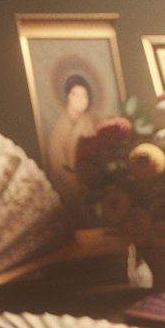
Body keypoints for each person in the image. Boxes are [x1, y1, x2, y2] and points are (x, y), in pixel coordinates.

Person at [45, 75, 97, 225]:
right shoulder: (58, 132)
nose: (81, 100)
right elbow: (58, 166)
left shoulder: (90, 124)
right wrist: (77, 183)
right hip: (72, 189)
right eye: (76, 95)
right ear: (68, 97)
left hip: (91, 183)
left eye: (85, 95)